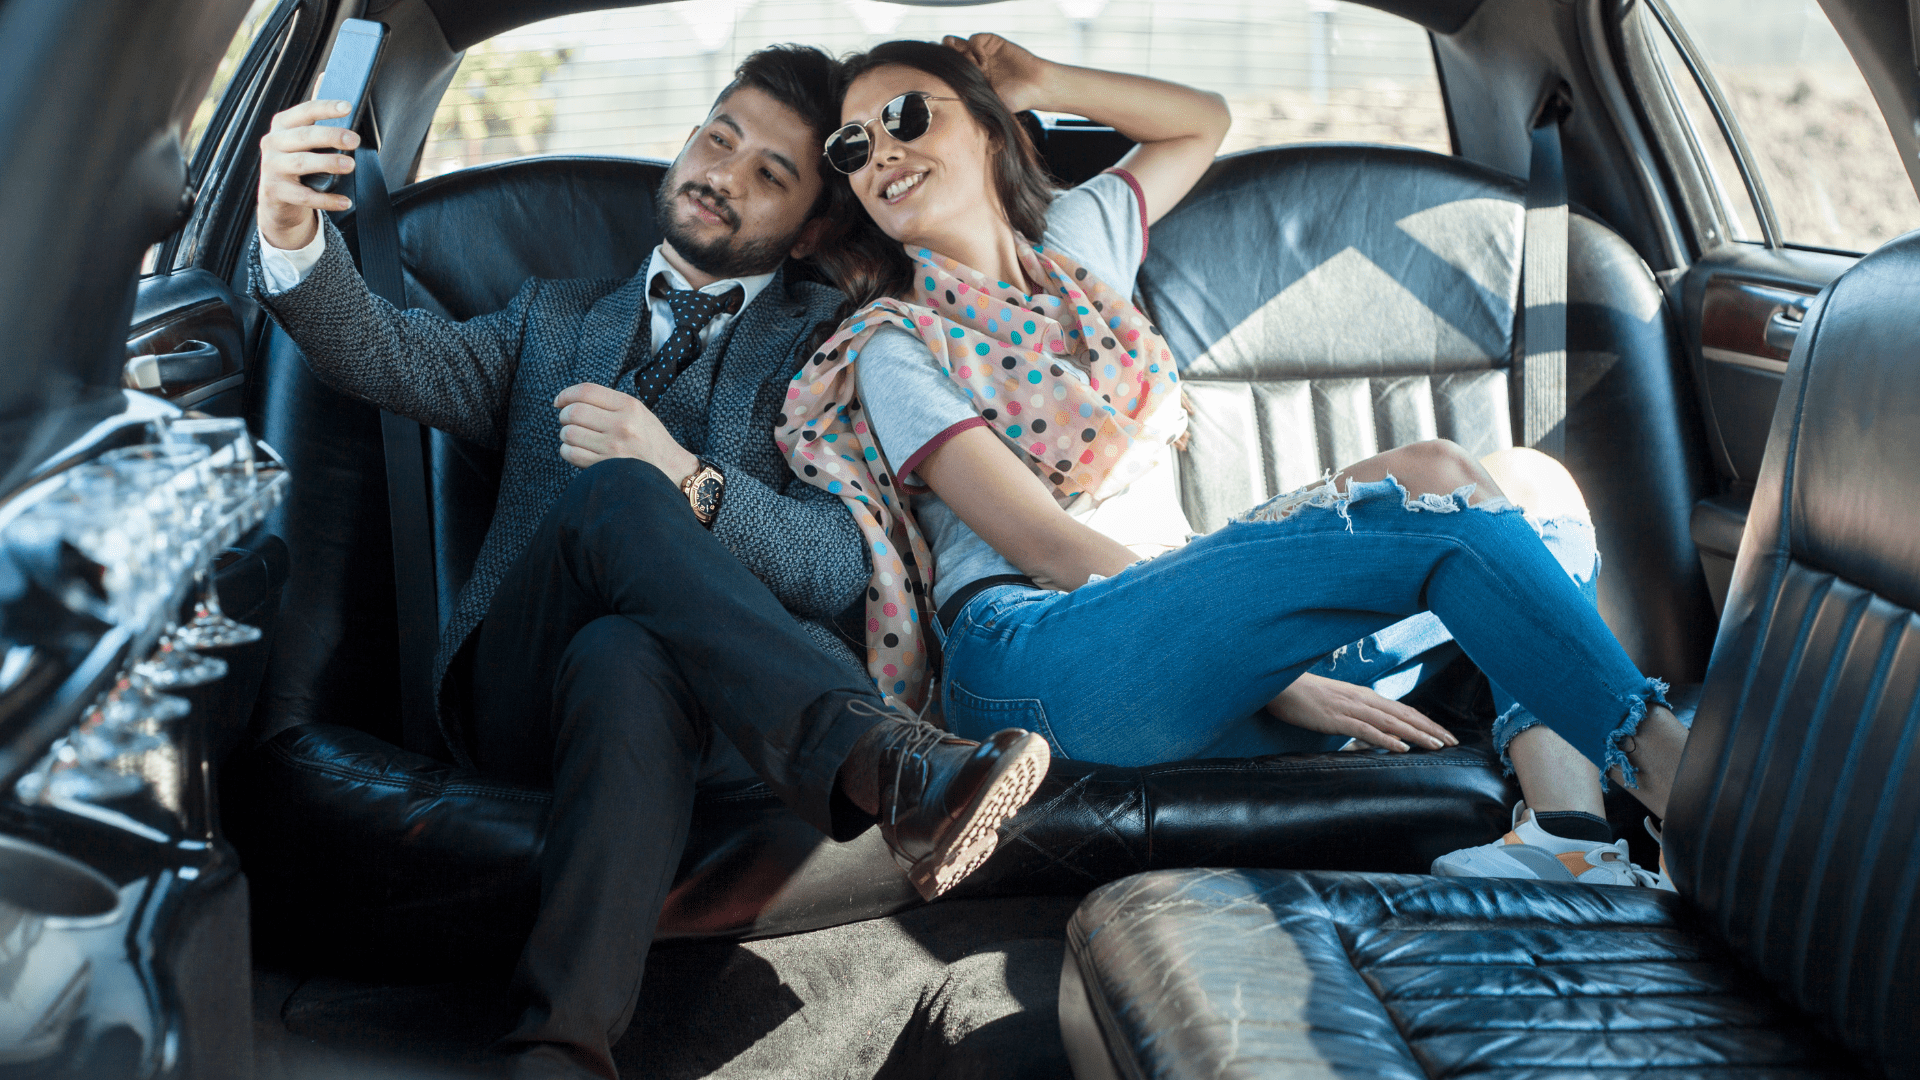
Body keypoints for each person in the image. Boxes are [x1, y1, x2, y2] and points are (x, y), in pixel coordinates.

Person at [249, 44, 1048, 1080]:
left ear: (810, 226)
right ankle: (877, 761)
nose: (725, 173)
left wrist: (689, 479)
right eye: (719, 140)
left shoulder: (836, 344)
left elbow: (837, 565)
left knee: (630, 645)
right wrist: (286, 229)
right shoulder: (550, 320)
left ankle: (558, 1049)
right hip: (518, 698)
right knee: (612, 500)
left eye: (771, 173)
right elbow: (381, 352)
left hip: (721, 726)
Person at [783, 34, 1695, 893]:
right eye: (849, 149)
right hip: (1039, 657)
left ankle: (1569, 845)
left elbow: (1202, 122)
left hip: (1193, 644)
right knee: (1435, 475)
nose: (879, 155)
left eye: (907, 116)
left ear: (988, 126)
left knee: (1535, 484)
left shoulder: (1080, 243)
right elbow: (1049, 544)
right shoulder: (894, 343)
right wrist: (1286, 677)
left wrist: (1041, 80)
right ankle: (1682, 784)